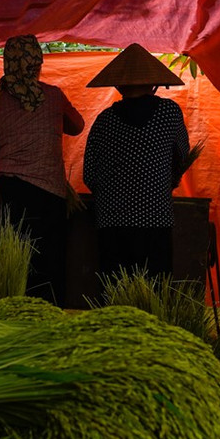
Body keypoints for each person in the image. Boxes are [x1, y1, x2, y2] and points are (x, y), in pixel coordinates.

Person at [0, 34, 84, 307]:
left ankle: (12, 323)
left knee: (12, 264)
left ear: (8, 64)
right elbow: (78, 126)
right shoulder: (53, 96)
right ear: (37, 62)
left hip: (7, 192)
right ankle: (47, 326)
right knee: (48, 265)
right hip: (47, 194)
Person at [82, 43, 190, 280]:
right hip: (155, 217)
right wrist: (164, 185)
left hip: (112, 222)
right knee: (154, 293)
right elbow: (182, 155)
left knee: (115, 296)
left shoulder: (104, 121)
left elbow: (89, 174)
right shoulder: (169, 113)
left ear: (119, 85)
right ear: (154, 84)